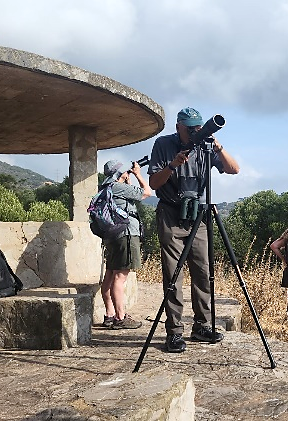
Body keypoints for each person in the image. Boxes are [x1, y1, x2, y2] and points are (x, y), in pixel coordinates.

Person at [148, 106, 240, 353]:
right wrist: (172, 165)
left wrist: (218, 147)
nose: (193, 132)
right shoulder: (163, 144)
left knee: (203, 270)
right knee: (173, 275)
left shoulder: (206, 146)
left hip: (198, 215)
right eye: (189, 128)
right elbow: (154, 184)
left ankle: (202, 325)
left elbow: (234, 169)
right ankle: (174, 331)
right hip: (171, 214)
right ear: (178, 126)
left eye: (197, 128)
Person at [100, 159, 152, 329]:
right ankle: (120, 317)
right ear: (118, 172)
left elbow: (128, 201)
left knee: (110, 276)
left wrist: (127, 179)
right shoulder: (118, 187)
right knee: (119, 278)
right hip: (126, 235)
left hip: (113, 237)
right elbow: (146, 193)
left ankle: (109, 314)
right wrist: (138, 174)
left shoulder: (106, 188)